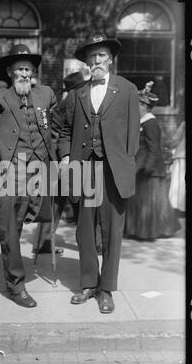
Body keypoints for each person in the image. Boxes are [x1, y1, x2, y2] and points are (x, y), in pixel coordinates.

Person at [0, 44, 62, 308]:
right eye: (19, 69)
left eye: (28, 69)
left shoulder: (46, 94)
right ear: (10, 72)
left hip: (40, 169)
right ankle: (16, 285)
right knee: (10, 228)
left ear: (33, 72)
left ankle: (25, 265)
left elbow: (55, 130)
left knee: (41, 218)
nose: (24, 73)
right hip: (8, 170)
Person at [58, 33, 140, 314]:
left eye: (102, 55)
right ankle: (89, 283)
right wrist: (66, 156)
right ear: (86, 62)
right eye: (92, 57)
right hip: (84, 167)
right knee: (85, 229)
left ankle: (106, 289)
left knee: (112, 231)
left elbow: (133, 136)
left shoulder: (127, 89)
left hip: (113, 170)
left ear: (111, 59)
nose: (97, 60)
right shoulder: (77, 93)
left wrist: (126, 166)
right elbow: (65, 130)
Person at [32, 71, 86, 255]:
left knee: (55, 203)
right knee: (81, 202)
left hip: (59, 159)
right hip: (64, 160)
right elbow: (56, 135)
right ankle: (93, 244)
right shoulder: (72, 103)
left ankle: (43, 242)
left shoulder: (66, 103)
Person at [124, 81, 180, 240]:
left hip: (151, 170)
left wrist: (147, 168)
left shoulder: (150, 123)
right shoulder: (144, 122)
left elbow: (153, 148)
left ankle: (149, 232)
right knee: (147, 202)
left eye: (138, 105)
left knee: (150, 203)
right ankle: (145, 230)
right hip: (143, 167)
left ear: (144, 107)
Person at [168, 121, 186, 213]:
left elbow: (176, 138)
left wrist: (169, 145)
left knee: (179, 182)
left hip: (182, 155)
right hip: (182, 155)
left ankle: (179, 207)